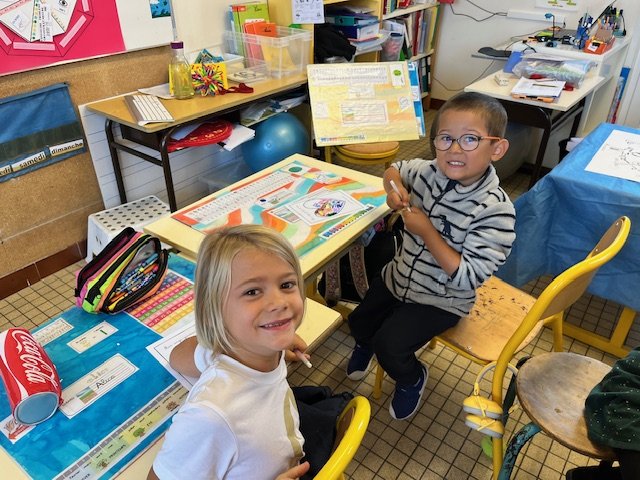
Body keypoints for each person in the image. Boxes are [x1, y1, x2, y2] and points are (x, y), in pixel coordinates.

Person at [346, 91, 516, 420]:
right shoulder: (427, 171)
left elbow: (468, 277)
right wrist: (395, 190)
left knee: (390, 347)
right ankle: (364, 343)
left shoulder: (496, 211)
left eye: (470, 139)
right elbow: (394, 169)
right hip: (398, 277)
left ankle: (412, 378)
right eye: (445, 138)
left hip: (442, 300)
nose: (454, 149)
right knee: (359, 320)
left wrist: (427, 232)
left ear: (496, 149)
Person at [148, 225, 311, 480]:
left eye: (287, 284)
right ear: (214, 309)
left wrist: (275, 340)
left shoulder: (261, 350)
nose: (280, 302)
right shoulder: (209, 416)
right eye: (252, 292)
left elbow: (176, 357)